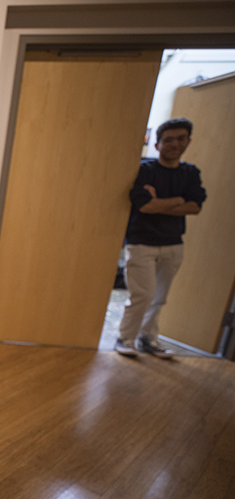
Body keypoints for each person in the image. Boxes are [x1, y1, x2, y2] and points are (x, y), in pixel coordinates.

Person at [115, 117, 206, 359]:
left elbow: (195, 206)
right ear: (158, 145)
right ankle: (126, 337)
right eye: (168, 140)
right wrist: (178, 200)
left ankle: (148, 338)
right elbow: (144, 206)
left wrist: (160, 203)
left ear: (188, 142)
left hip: (173, 243)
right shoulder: (145, 170)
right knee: (142, 294)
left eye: (180, 139)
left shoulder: (190, 173)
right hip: (142, 241)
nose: (175, 144)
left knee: (160, 297)